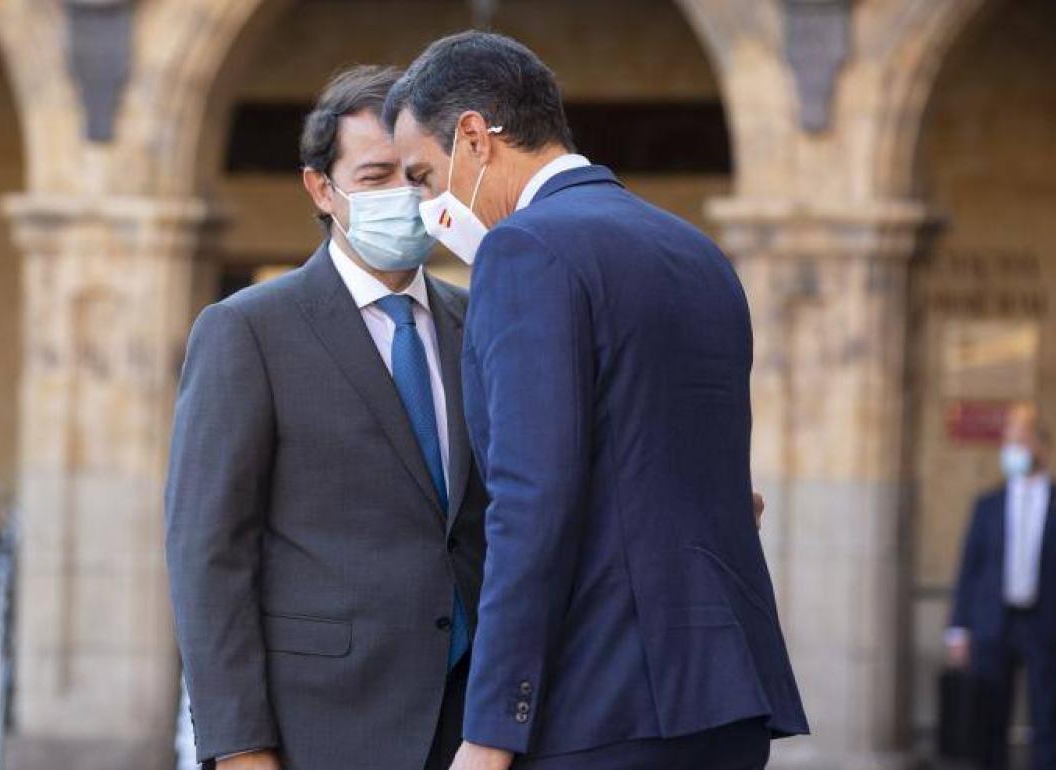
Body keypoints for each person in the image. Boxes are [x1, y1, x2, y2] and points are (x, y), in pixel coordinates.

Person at [384, 31, 808, 770]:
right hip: (725, 693)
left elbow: (532, 501)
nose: (425, 206)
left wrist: (490, 730)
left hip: (600, 698)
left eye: (423, 176)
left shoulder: (525, 252)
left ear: (475, 138)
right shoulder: (693, 251)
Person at [165, 65, 489, 770]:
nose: (402, 198)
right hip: (324, 724)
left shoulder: (480, 322)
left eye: (415, 174)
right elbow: (207, 554)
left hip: (475, 724)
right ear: (322, 188)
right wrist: (240, 747)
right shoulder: (247, 331)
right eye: (374, 177)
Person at [947, 404, 1056, 770]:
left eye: (1020, 440)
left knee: (1047, 718)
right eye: (1008, 441)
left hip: (1045, 623)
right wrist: (958, 628)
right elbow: (970, 568)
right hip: (994, 622)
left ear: (1041, 446)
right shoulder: (988, 504)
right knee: (991, 720)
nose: (1012, 449)